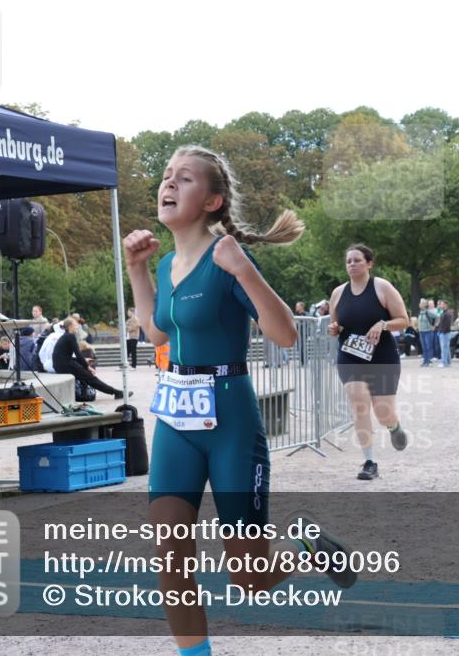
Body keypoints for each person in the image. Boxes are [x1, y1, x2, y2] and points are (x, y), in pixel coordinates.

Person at [125, 145, 354, 656]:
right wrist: (136, 269)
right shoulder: (165, 264)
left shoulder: (227, 256)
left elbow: (287, 334)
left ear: (211, 201)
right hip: (176, 420)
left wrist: (244, 270)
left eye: (183, 179)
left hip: (229, 419)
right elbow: (158, 336)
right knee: (170, 555)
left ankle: (304, 550)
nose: (168, 185)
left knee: (249, 576)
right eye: (166, 177)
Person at [327, 244, 409, 479]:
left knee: (383, 412)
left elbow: (404, 320)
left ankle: (394, 426)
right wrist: (334, 329)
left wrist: (383, 324)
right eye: (348, 261)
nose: (352, 264)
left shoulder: (382, 287)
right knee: (359, 404)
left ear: (369, 263)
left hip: (382, 356)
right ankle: (369, 462)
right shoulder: (338, 293)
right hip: (350, 356)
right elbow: (338, 325)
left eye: (357, 260)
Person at [51, 318, 120, 395]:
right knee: (90, 378)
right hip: (64, 365)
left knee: (86, 375)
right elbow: (78, 354)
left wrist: (84, 364)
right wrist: (87, 366)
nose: (77, 327)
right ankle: (115, 392)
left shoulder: (66, 336)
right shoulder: (70, 336)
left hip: (61, 365)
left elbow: (66, 355)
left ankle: (113, 392)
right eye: (76, 325)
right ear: (70, 326)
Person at [417, 299, 439, 367]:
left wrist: (434, 326)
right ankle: (425, 361)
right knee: (424, 347)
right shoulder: (420, 312)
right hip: (421, 332)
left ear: (424, 305)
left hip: (428, 331)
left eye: (420, 303)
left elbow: (437, 317)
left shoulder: (428, 312)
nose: (419, 304)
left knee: (428, 347)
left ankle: (429, 361)